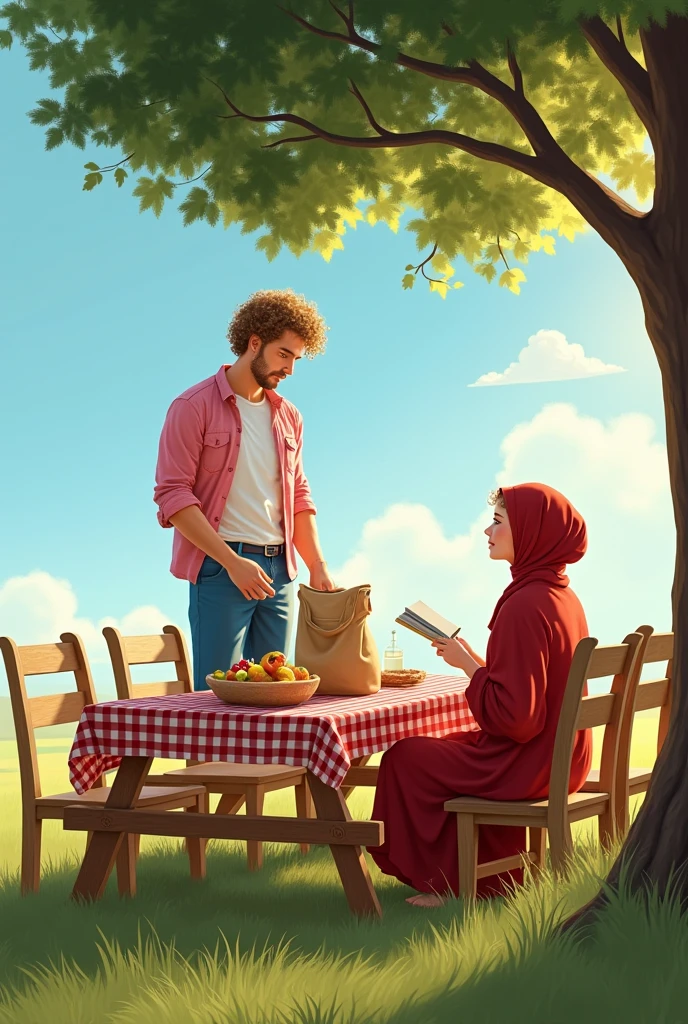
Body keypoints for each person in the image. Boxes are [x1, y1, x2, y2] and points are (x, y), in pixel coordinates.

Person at [368, 482, 592, 908]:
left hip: (530, 762)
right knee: (441, 749)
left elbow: (517, 720)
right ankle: (495, 874)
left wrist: (468, 668)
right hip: (565, 759)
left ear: (530, 532)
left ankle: (454, 883)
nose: (487, 532)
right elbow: (528, 689)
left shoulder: (525, 606)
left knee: (404, 758)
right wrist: (472, 658)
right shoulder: (561, 595)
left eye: (498, 522)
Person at [153, 288, 336, 690]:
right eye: (283, 354)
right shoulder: (192, 406)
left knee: (276, 698)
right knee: (217, 700)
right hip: (221, 569)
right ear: (254, 342)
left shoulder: (290, 417)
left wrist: (316, 564)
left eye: (296, 359)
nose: (289, 369)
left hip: (281, 573)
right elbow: (173, 495)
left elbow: (299, 496)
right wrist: (232, 563)